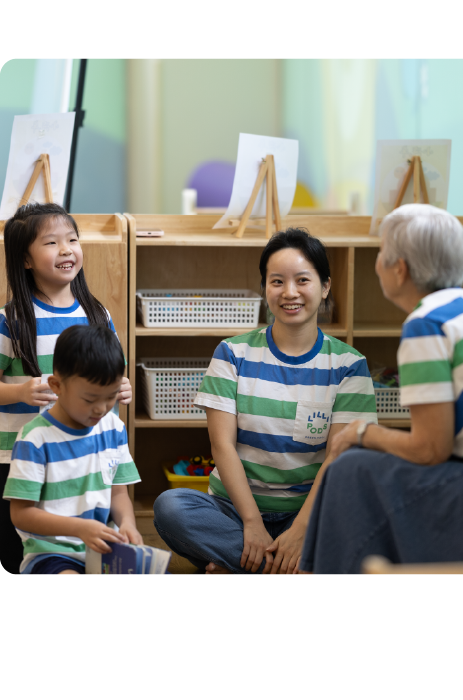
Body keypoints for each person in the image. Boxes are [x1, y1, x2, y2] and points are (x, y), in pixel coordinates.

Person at [154, 228, 378, 575]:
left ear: (326, 286)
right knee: (171, 508)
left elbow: (338, 458)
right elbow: (222, 446)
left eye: (303, 280)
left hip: (309, 513)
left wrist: (301, 530)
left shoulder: (350, 365)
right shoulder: (232, 353)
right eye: (277, 282)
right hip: (234, 511)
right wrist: (252, 523)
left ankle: (243, 566)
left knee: (368, 519)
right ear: (265, 288)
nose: (290, 293)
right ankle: (287, 570)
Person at [299, 203, 463, 575]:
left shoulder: (426, 324)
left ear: (400, 268)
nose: (377, 262)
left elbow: (430, 450)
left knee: (350, 469)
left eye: (380, 253)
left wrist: (362, 432)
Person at [0, 203, 133, 586]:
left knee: (76, 547)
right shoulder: (13, 320)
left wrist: (121, 386)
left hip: (82, 459)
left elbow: (112, 374)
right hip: (20, 456)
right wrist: (20, 390)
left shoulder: (97, 315)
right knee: (30, 556)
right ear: (25, 259)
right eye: (52, 242)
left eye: (72, 240)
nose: (66, 249)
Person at [3, 324, 142, 585]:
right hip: (53, 554)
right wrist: (79, 528)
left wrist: (128, 525)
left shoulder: (114, 429)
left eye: (111, 397)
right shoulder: (34, 439)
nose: (101, 409)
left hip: (105, 550)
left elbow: (118, 492)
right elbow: (21, 514)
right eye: (89, 399)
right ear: (57, 386)